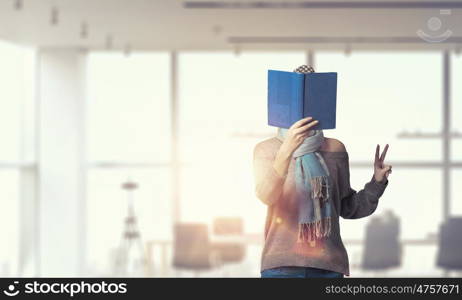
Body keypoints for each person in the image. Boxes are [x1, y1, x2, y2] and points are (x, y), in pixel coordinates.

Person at [253, 72, 392, 278]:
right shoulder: (266, 149)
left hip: (327, 264)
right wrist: (285, 151)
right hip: (281, 264)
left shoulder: (334, 148)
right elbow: (266, 195)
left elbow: (347, 206)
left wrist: (377, 182)